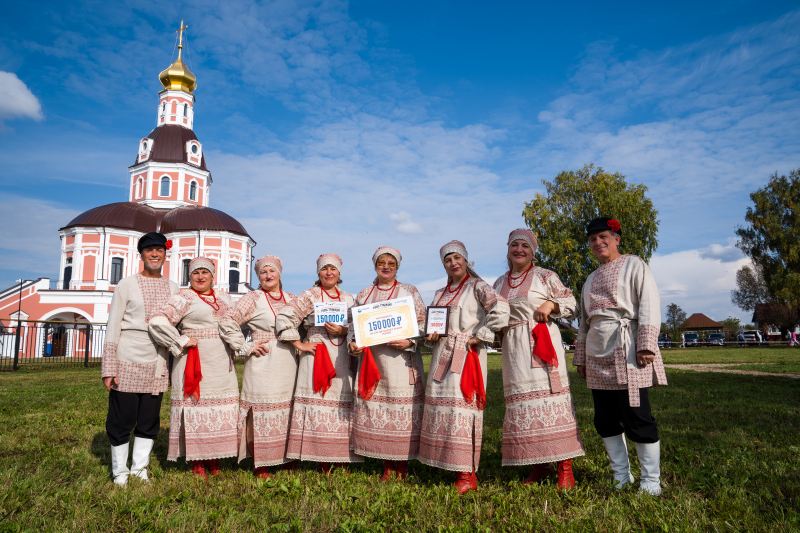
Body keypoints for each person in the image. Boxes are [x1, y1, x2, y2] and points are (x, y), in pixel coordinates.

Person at [574, 218, 668, 496]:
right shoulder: (589, 279)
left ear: (616, 239)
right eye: (593, 239)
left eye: (603, 237)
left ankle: (650, 480)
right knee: (604, 419)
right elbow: (584, 322)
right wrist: (581, 357)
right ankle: (621, 476)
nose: (598, 243)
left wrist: (646, 344)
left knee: (637, 415)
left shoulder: (635, 265)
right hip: (597, 352)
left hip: (628, 348)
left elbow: (649, 302)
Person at [493, 229, 584, 489]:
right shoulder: (498, 283)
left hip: (541, 342)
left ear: (533, 252)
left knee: (552, 401)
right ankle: (539, 465)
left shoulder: (545, 276)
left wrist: (551, 305)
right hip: (513, 349)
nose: (519, 250)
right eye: (514, 245)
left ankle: (565, 467)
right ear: (508, 249)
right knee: (524, 406)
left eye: (525, 246)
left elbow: (572, 303)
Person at [419, 240, 509, 494]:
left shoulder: (478, 286)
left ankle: (467, 473)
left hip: (466, 353)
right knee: (443, 408)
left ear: (466, 260)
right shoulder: (440, 293)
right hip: (441, 354)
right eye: (448, 260)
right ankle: (448, 463)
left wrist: (481, 335)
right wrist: (430, 335)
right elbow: (433, 324)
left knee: (463, 409)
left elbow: (502, 308)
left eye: (457, 258)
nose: (453, 263)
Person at [149, 257, 239, 480]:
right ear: (189, 276)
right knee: (195, 409)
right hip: (193, 360)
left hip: (220, 362)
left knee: (218, 408)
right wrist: (179, 339)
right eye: (195, 273)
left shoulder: (224, 297)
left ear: (212, 276)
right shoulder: (183, 297)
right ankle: (197, 461)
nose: (200, 277)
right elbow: (158, 321)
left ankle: (214, 456)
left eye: (204, 272)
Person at [102, 232, 178, 486]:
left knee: (149, 418)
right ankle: (120, 472)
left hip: (158, 360)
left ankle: (139, 469)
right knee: (122, 418)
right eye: (149, 250)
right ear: (142, 255)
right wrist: (109, 367)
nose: (155, 254)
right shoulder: (126, 284)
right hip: (127, 357)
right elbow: (113, 325)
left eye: (159, 250)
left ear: (165, 255)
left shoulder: (173, 288)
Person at [275, 254, 363, 472]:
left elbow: (358, 325)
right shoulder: (310, 295)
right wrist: (299, 343)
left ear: (339, 273)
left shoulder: (349, 298)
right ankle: (318, 456)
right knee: (317, 402)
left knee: (339, 405)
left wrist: (344, 330)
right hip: (316, 353)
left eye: (333, 269)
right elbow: (285, 316)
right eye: (325, 269)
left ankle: (339, 457)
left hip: (342, 354)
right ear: (318, 273)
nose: (329, 272)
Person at [347, 247, 427, 482]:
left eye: (391, 263)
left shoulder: (409, 291)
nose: (386, 266)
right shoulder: (364, 294)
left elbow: (422, 322)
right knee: (379, 410)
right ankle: (387, 464)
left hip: (402, 361)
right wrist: (353, 344)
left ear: (397, 267)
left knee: (401, 411)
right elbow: (353, 325)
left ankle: (402, 464)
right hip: (374, 361)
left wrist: (410, 341)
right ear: (375, 265)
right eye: (382, 262)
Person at [218, 255, 297, 479]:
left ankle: (287, 459)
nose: (268, 275)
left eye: (272, 271)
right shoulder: (252, 298)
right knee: (260, 411)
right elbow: (227, 321)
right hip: (263, 361)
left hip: (289, 361)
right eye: (263, 272)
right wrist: (245, 346)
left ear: (279, 273)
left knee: (287, 410)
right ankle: (260, 463)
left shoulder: (292, 298)